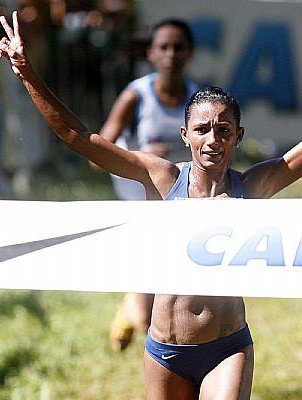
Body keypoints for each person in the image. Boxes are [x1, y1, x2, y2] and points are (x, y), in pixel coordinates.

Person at [0, 10, 302, 399]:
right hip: (164, 350)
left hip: (226, 347)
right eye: (202, 129)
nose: (212, 139)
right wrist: (26, 71)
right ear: (185, 135)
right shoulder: (161, 179)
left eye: (223, 129)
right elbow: (79, 138)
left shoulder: (254, 185)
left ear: (237, 135)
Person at [94, 18, 198, 351]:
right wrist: (141, 157)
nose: (171, 54)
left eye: (178, 47)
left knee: (173, 274)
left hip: (179, 195)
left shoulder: (200, 99)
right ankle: (133, 310)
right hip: (137, 195)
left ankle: (164, 334)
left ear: (190, 53)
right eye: (163, 47)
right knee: (145, 313)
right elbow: (95, 156)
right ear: (150, 54)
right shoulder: (135, 96)